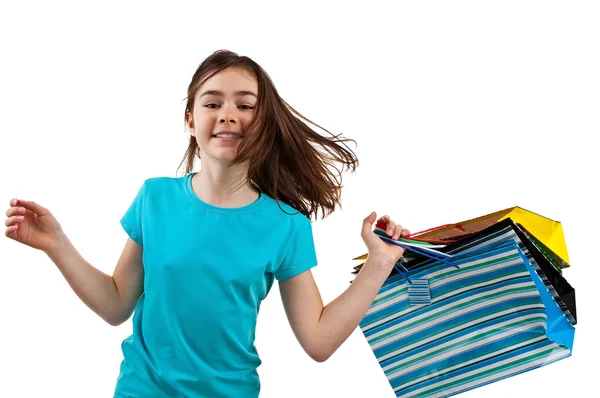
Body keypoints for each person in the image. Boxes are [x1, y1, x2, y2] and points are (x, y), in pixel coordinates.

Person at [4, 49, 409, 397]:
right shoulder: (155, 197)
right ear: (190, 120)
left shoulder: (286, 224)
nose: (228, 115)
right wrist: (56, 243)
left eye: (245, 105)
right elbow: (115, 305)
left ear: (263, 122)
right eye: (212, 103)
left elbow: (318, 341)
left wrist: (379, 264)